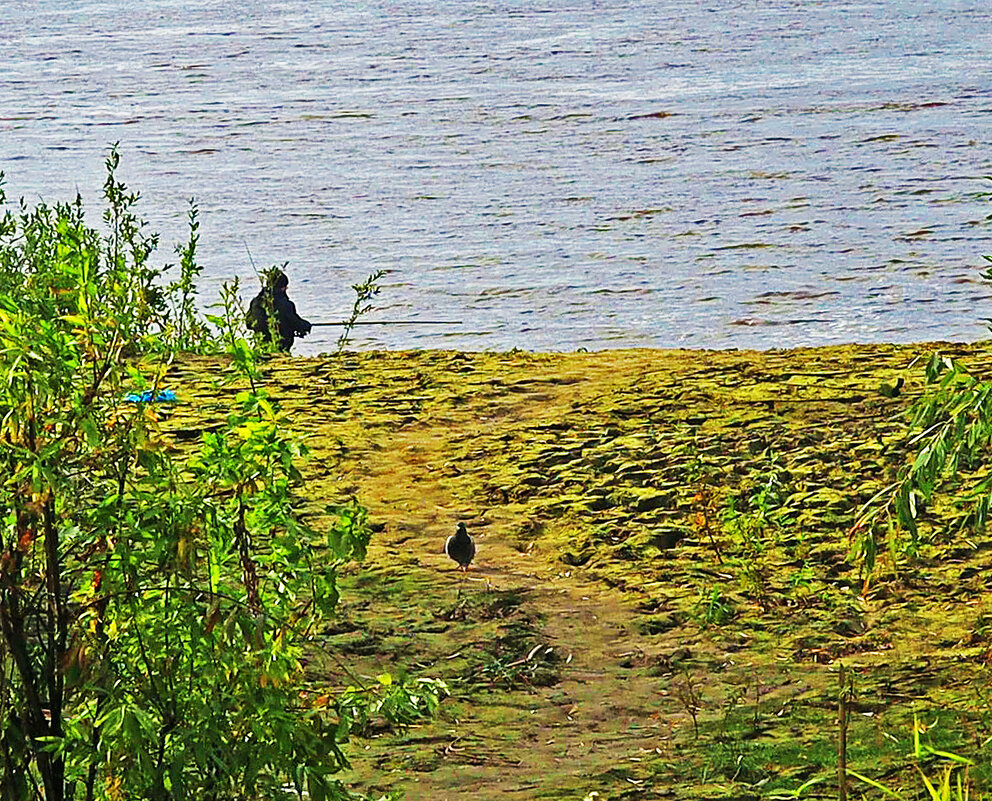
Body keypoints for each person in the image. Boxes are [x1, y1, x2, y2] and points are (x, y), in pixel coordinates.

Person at [246, 269, 312, 351]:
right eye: (285, 287)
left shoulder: (255, 302)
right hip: (281, 347)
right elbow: (296, 323)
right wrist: (307, 326)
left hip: (261, 346)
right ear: (282, 288)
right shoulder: (286, 304)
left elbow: (248, 323)